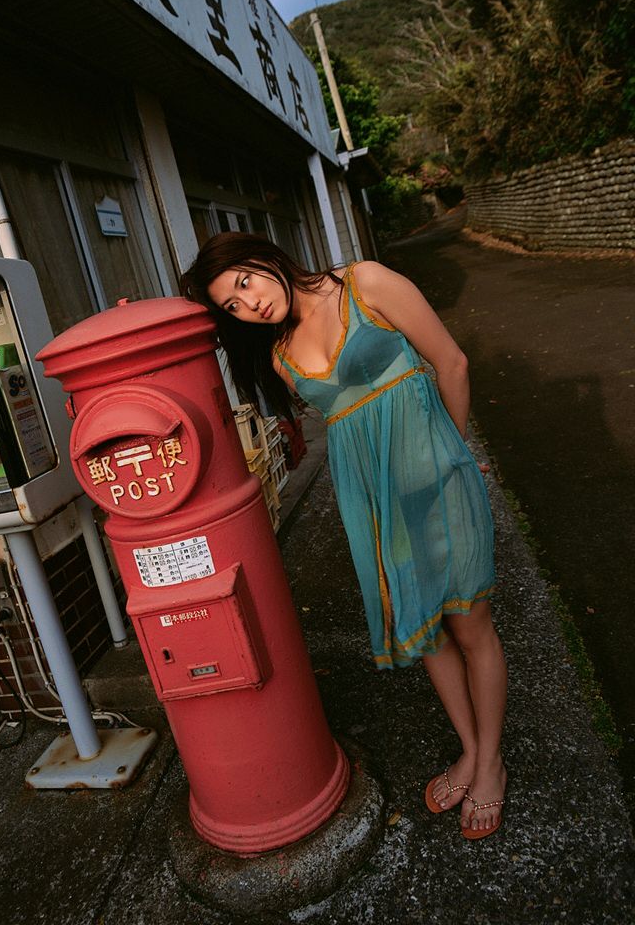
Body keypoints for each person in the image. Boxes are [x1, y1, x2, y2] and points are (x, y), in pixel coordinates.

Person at [180, 231, 507, 840]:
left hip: (438, 484)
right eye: (231, 306)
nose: (248, 305)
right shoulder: (276, 352)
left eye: (245, 283)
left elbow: (452, 362)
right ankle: (468, 749)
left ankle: (491, 764)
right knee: (427, 628)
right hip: (375, 507)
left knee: (470, 623)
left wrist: (450, 456)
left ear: (265, 260)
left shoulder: (366, 284)